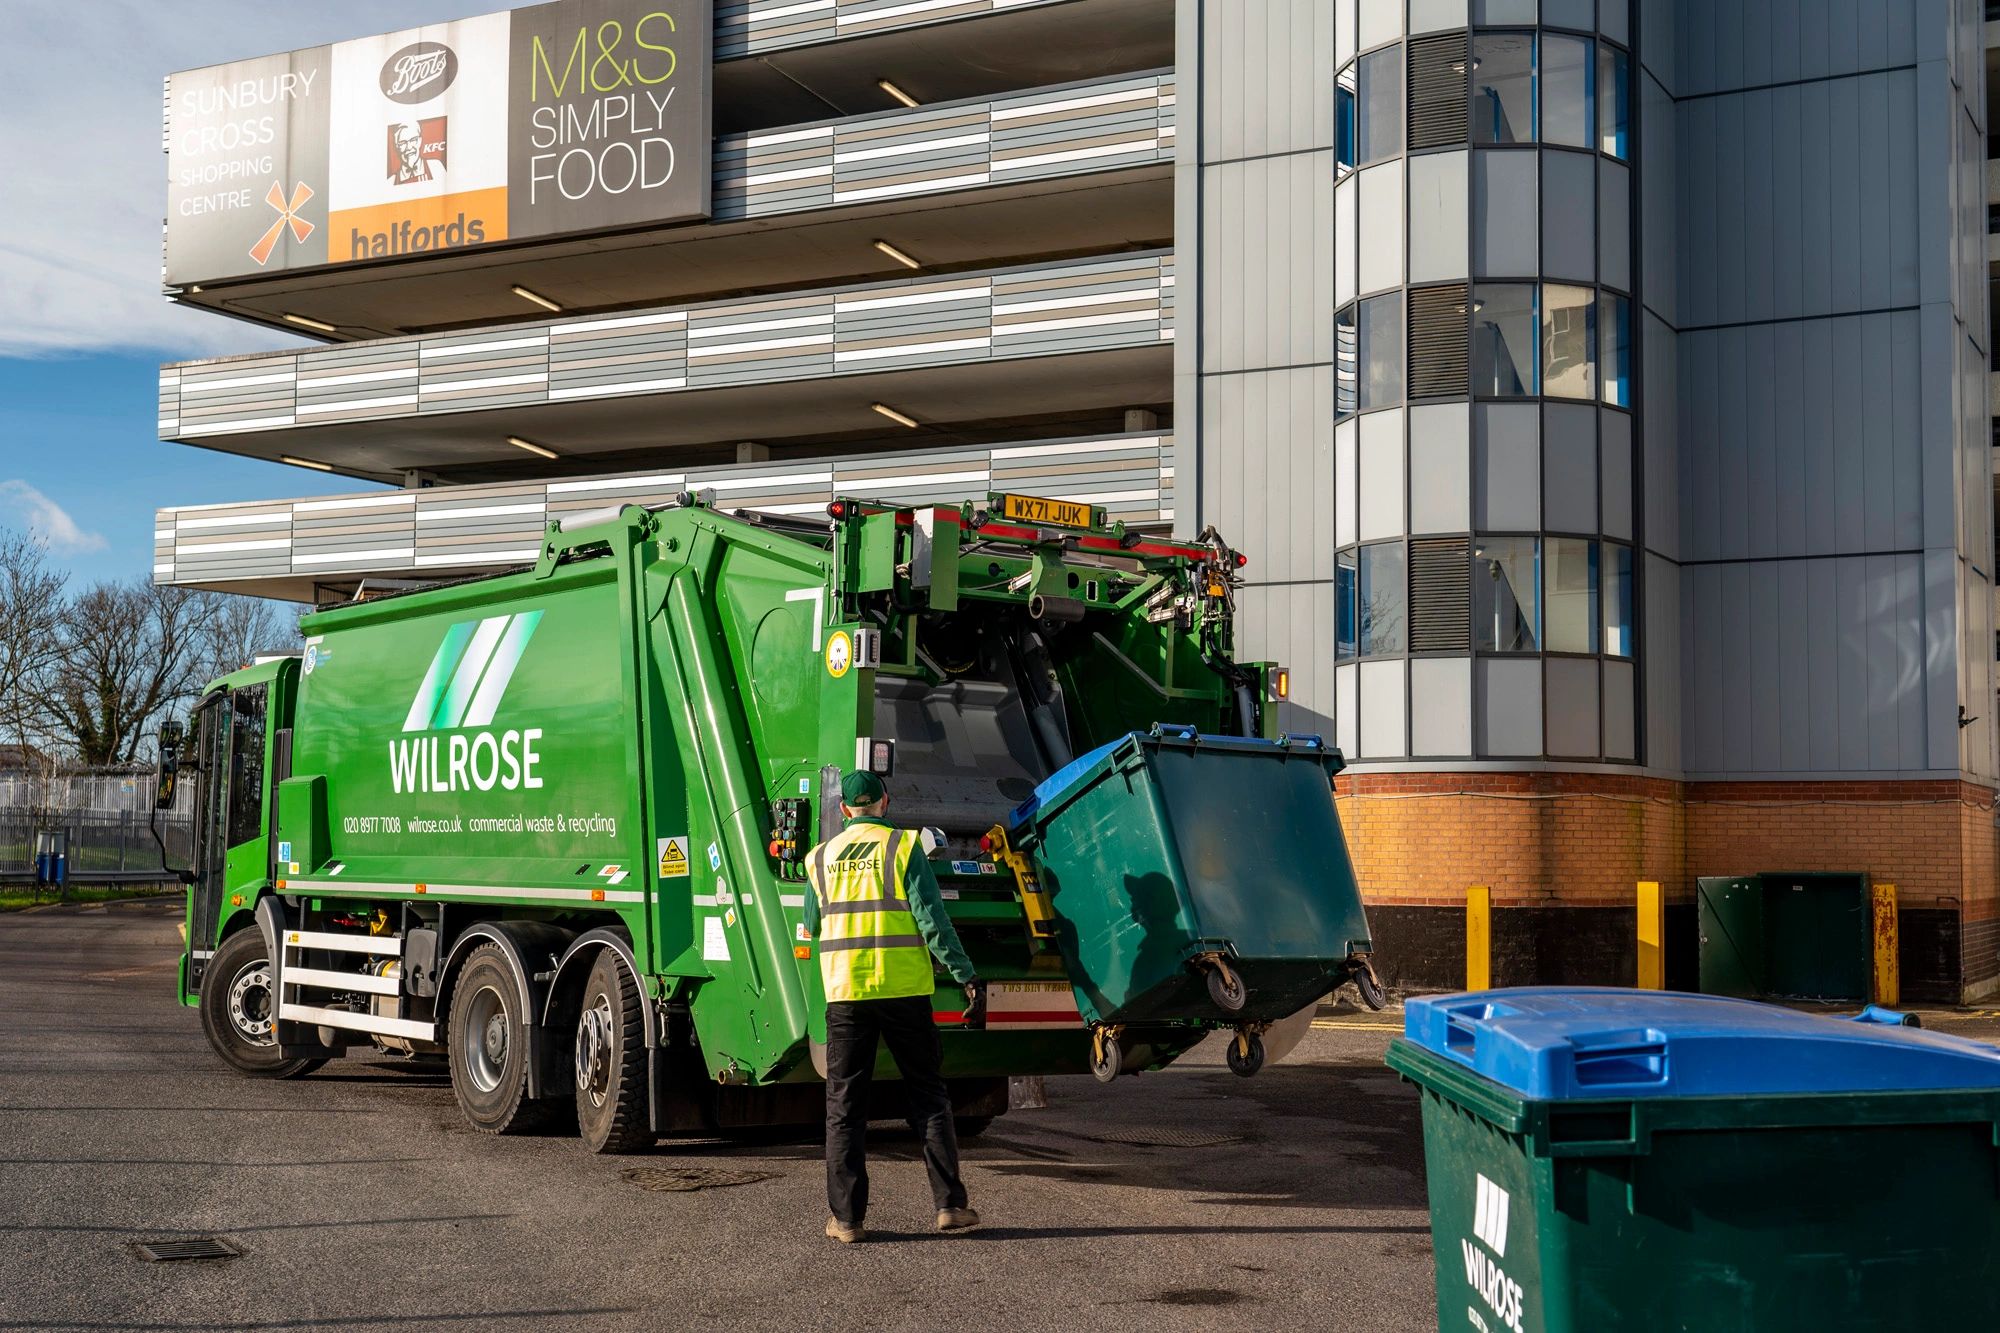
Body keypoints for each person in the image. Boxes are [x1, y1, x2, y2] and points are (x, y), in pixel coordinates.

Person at [804, 769, 986, 1244]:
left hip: (847, 995)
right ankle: (950, 1206)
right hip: (904, 992)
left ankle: (846, 1220)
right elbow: (933, 921)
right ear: (885, 803)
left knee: (844, 1107)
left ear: (844, 810)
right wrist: (965, 974)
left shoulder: (818, 858)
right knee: (928, 1097)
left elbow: (811, 926)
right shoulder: (904, 847)